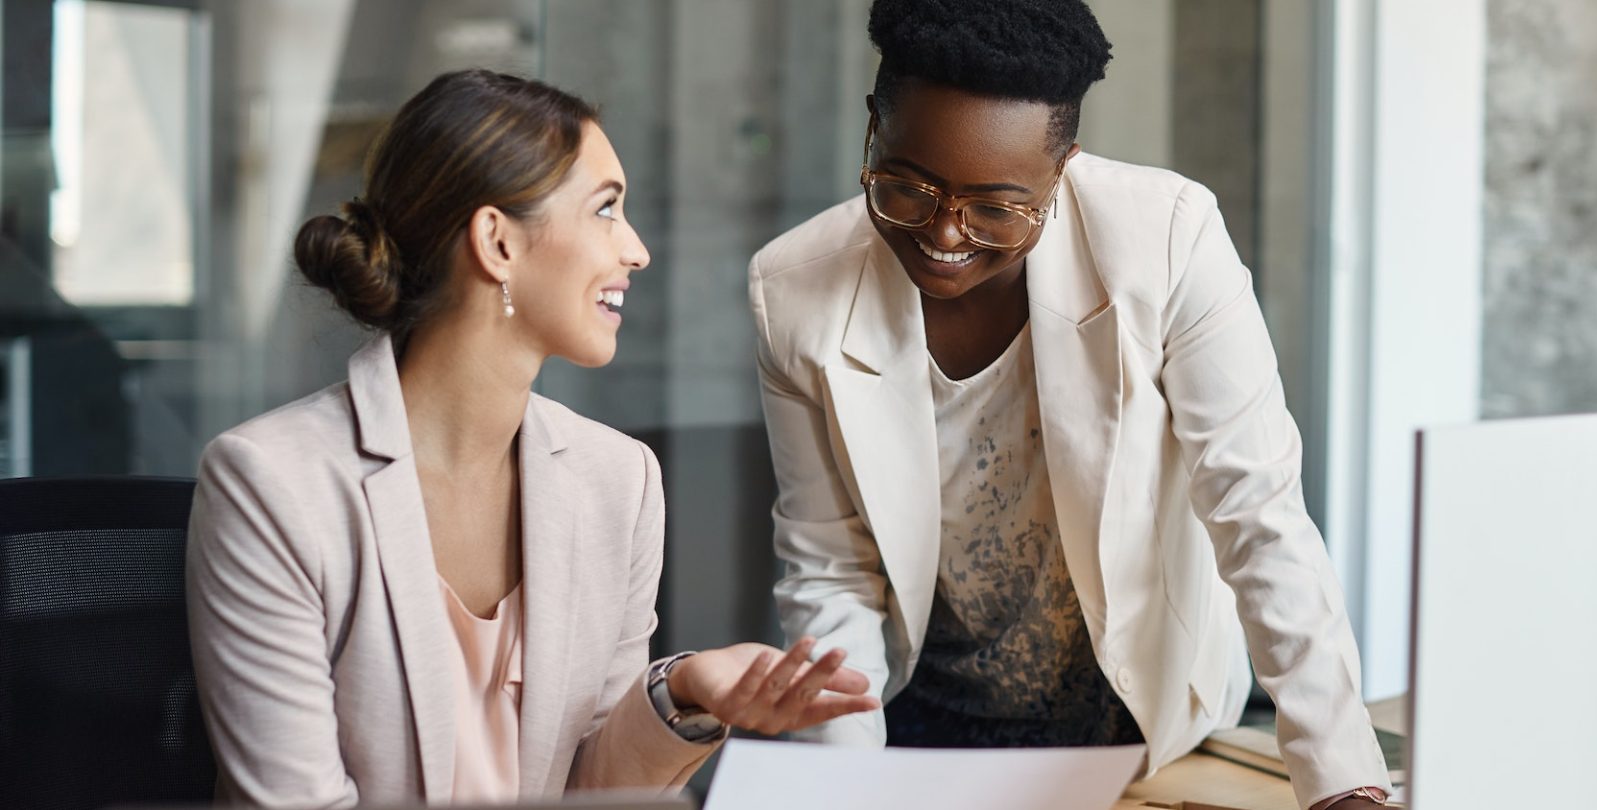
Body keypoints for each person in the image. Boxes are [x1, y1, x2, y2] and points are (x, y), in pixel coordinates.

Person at [748, 2, 1390, 808]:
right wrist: (845, 787)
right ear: (874, 126)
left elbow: (1257, 514)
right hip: (924, 734)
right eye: (907, 187)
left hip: (1139, 728)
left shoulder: (1168, 239)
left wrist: (1343, 782)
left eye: (995, 208)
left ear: (1062, 170)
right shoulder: (794, 291)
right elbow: (832, 572)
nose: (946, 233)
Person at [186, 69, 877, 807]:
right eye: (606, 209)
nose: (637, 250)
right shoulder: (272, 485)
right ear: (498, 243)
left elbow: (593, 794)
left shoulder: (619, 481)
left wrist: (682, 693)